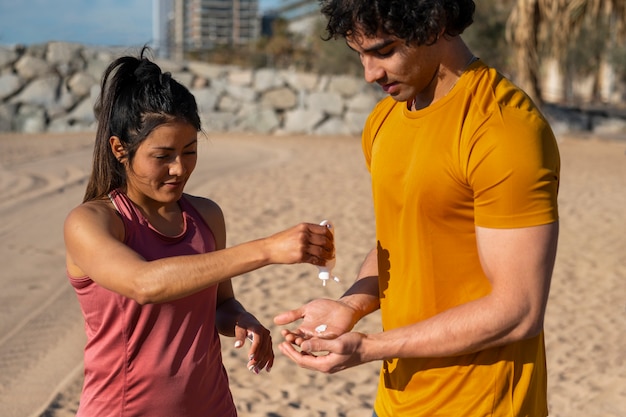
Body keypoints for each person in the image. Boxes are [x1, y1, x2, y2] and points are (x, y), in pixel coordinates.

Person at [274, 1, 560, 416]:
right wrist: (351, 305)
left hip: (485, 404)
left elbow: (519, 310)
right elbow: (403, 239)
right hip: (396, 400)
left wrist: (371, 346)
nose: (370, 73)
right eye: (361, 55)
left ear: (435, 24)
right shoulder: (383, 120)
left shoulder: (504, 129)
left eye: (384, 51)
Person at [63, 48, 333, 417]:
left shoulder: (206, 215)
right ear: (119, 149)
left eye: (189, 152)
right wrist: (267, 249)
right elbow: (145, 284)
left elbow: (219, 304)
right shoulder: (92, 222)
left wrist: (240, 319)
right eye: (163, 156)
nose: (179, 168)